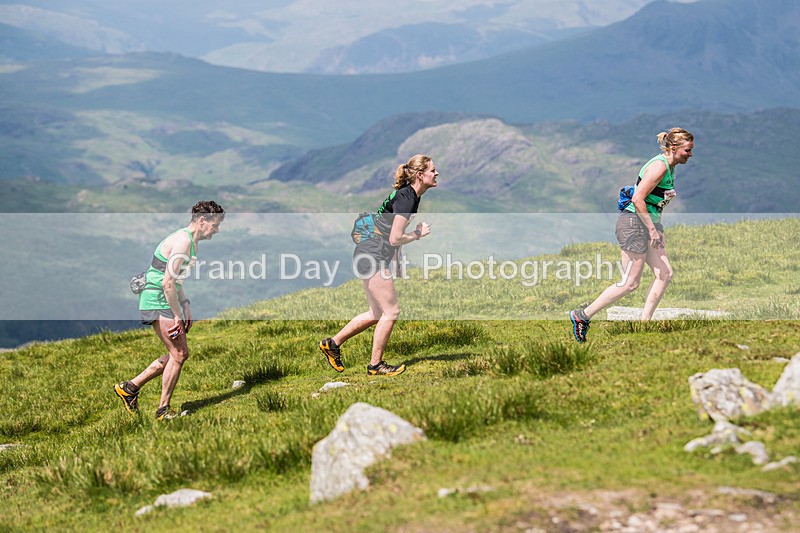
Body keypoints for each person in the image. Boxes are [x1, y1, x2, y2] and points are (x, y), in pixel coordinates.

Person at [570, 128, 694, 342]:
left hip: (647, 224)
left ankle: (644, 324)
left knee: (664, 274)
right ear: (674, 148)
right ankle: (582, 315)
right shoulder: (659, 166)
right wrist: (652, 229)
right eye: (687, 150)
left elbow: (655, 202)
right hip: (633, 224)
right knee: (630, 283)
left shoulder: (670, 167)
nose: (690, 155)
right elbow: (638, 199)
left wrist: (657, 228)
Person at [319, 154, 438, 376]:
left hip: (369, 253)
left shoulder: (409, 196)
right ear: (420, 175)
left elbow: (391, 231)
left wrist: (398, 262)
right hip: (373, 255)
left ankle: (332, 344)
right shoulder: (407, 198)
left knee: (376, 313)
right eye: (433, 170)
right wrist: (417, 234)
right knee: (391, 311)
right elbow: (395, 237)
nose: (437, 173)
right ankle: (375, 365)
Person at [114, 200, 225, 419]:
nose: (217, 230)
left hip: (162, 298)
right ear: (202, 221)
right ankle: (162, 410)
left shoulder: (191, 242)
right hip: (157, 298)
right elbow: (167, 283)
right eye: (215, 225)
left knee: (178, 353)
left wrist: (186, 305)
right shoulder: (183, 242)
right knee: (179, 353)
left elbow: (176, 280)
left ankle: (130, 388)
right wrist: (177, 315)